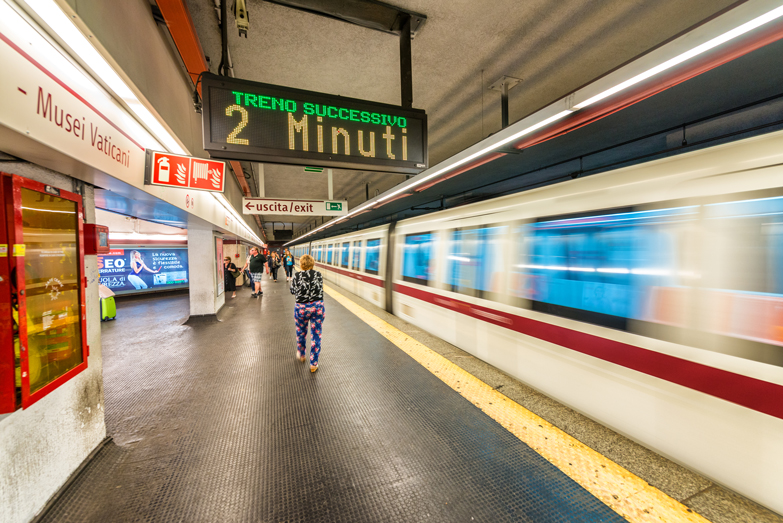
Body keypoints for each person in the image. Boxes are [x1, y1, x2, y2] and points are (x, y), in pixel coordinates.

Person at [289, 254, 324, 373]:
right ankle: (313, 364)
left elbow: (292, 291)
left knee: (301, 332)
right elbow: (320, 289)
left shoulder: (297, 276)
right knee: (316, 335)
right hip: (317, 308)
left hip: (301, 308)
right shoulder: (318, 274)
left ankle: (302, 354)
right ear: (312, 264)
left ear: (302, 264)